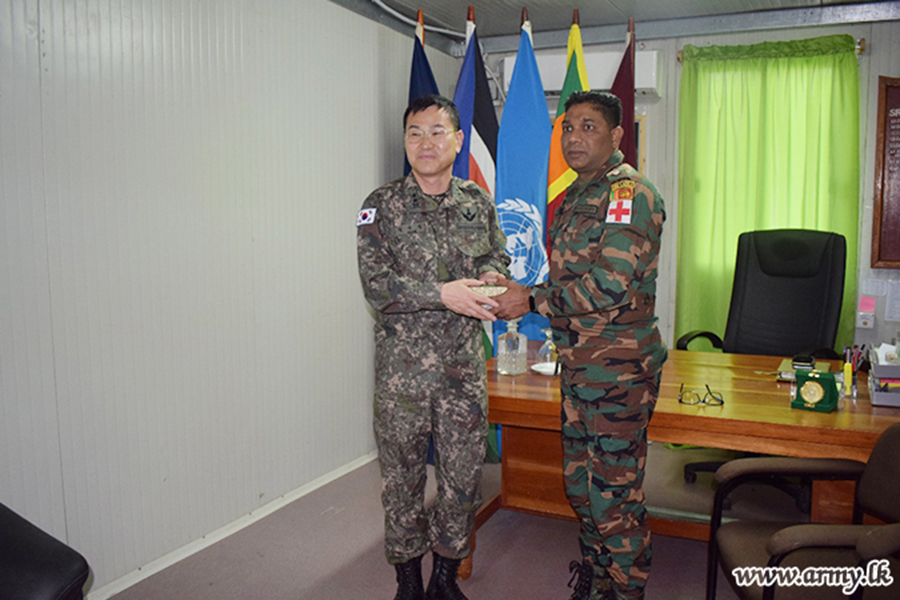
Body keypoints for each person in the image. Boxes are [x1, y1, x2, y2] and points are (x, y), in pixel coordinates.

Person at [495, 91, 667, 600]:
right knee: (581, 489)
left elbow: (609, 286)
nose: (574, 137)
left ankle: (627, 589)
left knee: (613, 496)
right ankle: (597, 582)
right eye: (568, 127)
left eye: (588, 127)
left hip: (618, 374)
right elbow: (570, 272)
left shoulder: (628, 194)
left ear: (616, 136)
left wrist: (531, 301)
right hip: (579, 365)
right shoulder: (576, 192)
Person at [357, 94, 510, 600]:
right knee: (401, 480)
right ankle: (407, 582)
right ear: (405, 142)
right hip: (403, 372)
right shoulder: (379, 205)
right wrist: (442, 294)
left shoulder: (477, 202)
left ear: (458, 140)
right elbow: (377, 287)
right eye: (415, 133)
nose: (426, 143)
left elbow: (496, 257)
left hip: (462, 368)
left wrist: (492, 275)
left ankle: (445, 579)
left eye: (437, 132)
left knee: (462, 477)